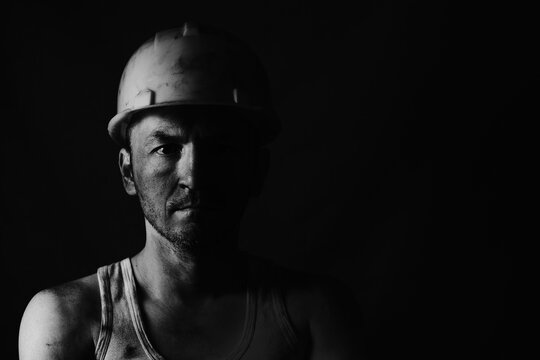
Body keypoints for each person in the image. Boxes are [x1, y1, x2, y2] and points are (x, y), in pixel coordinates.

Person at [19, 23, 363, 360]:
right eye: (166, 148)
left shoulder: (314, 318)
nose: (194, 177)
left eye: (221, 148)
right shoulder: (68, 321)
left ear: (258, 170)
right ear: (128, 171)